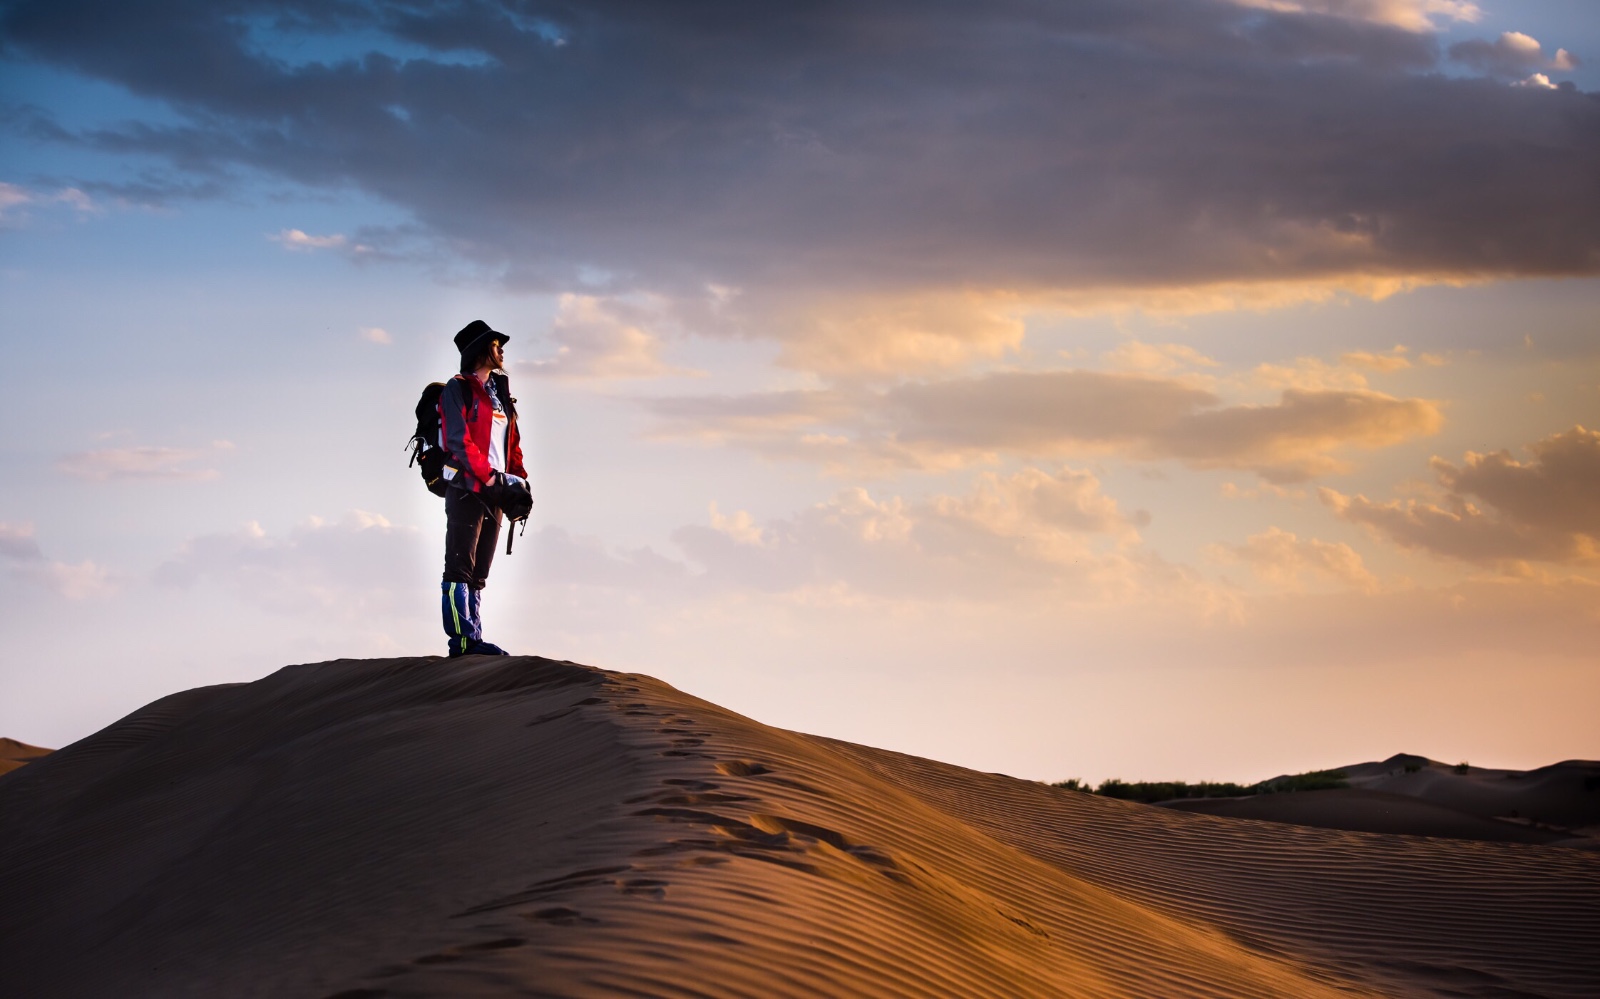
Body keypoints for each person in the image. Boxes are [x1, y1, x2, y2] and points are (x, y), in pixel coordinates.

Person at [437, 319, 528, 657]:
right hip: (466, 487)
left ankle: (475, 634)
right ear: (480, 349)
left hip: (496, 491)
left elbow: (512, 444)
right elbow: (458, 441)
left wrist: (518, 481)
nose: (501, 349)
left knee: (480, 571)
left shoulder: (501, 392)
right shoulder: (457, 387)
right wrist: (488, 476)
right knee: (459, 565)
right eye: (495, 344)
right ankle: (462, 641)